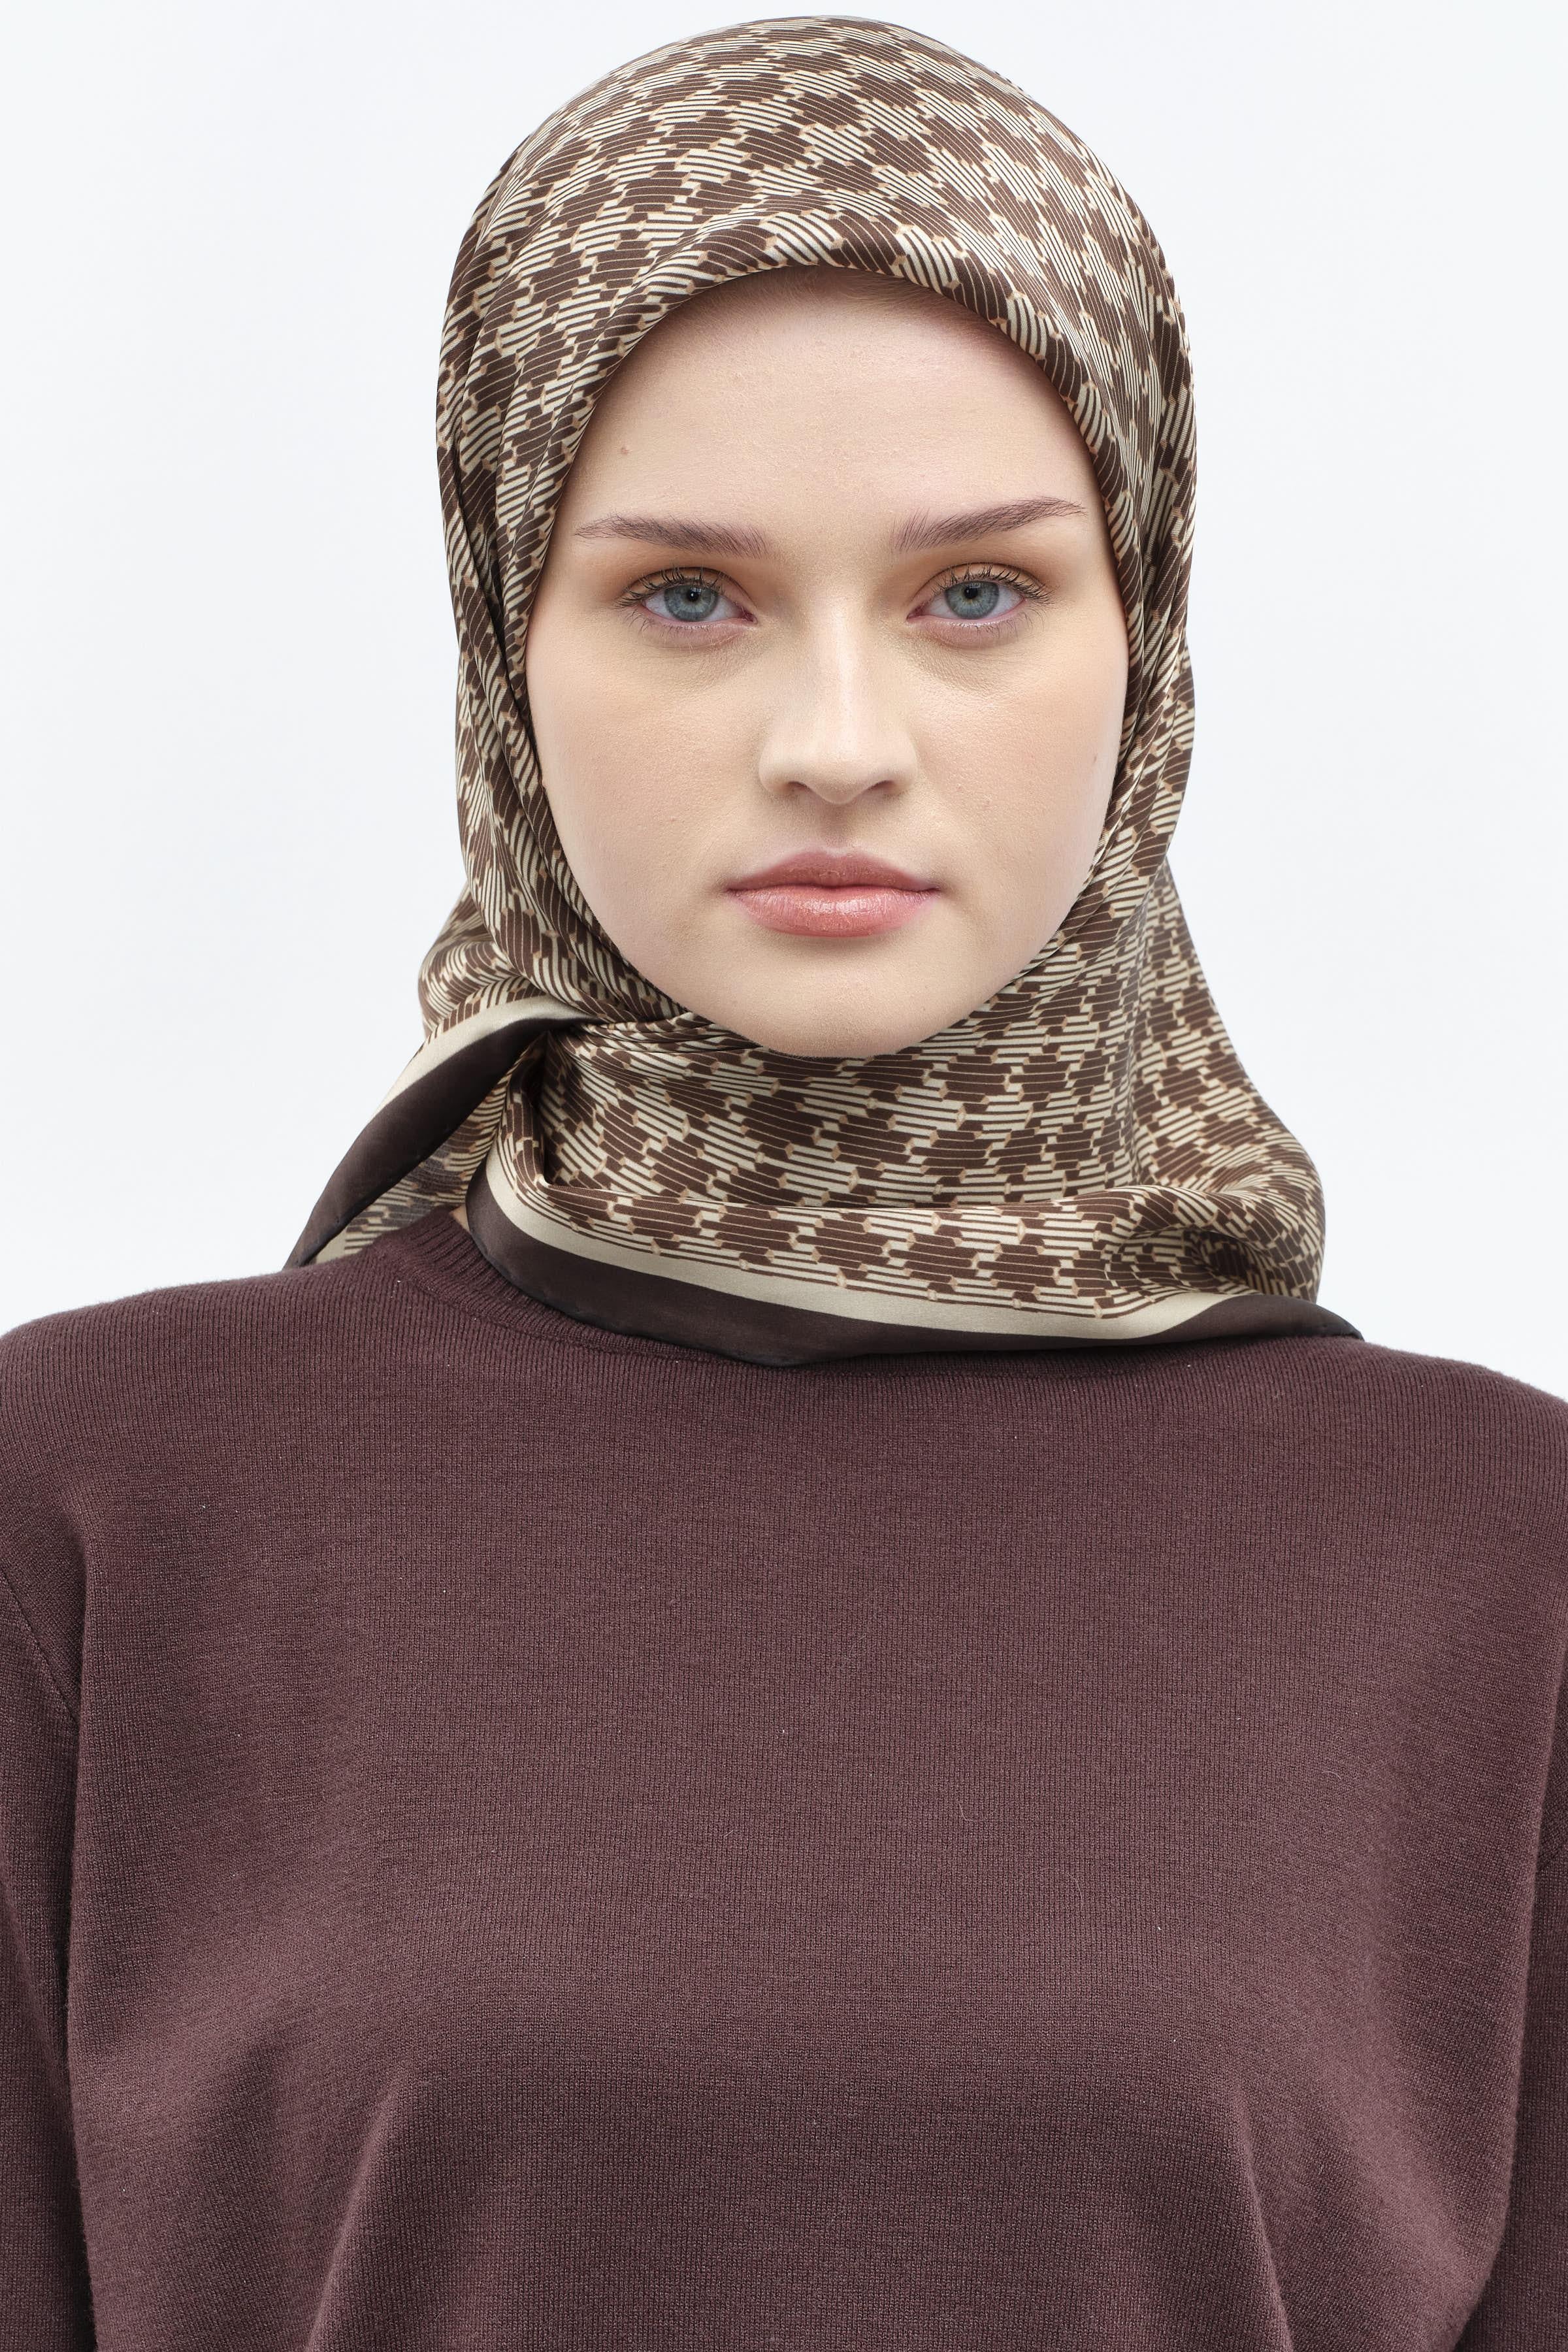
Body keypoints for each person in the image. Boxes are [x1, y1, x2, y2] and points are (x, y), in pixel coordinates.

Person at [1, 16, 1563, 2347]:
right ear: (502, 641)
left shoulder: (1498, 1563)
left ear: (1145, 640)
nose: (837, 743)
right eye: (688, 598)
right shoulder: (102, 1506)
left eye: (975, 595)